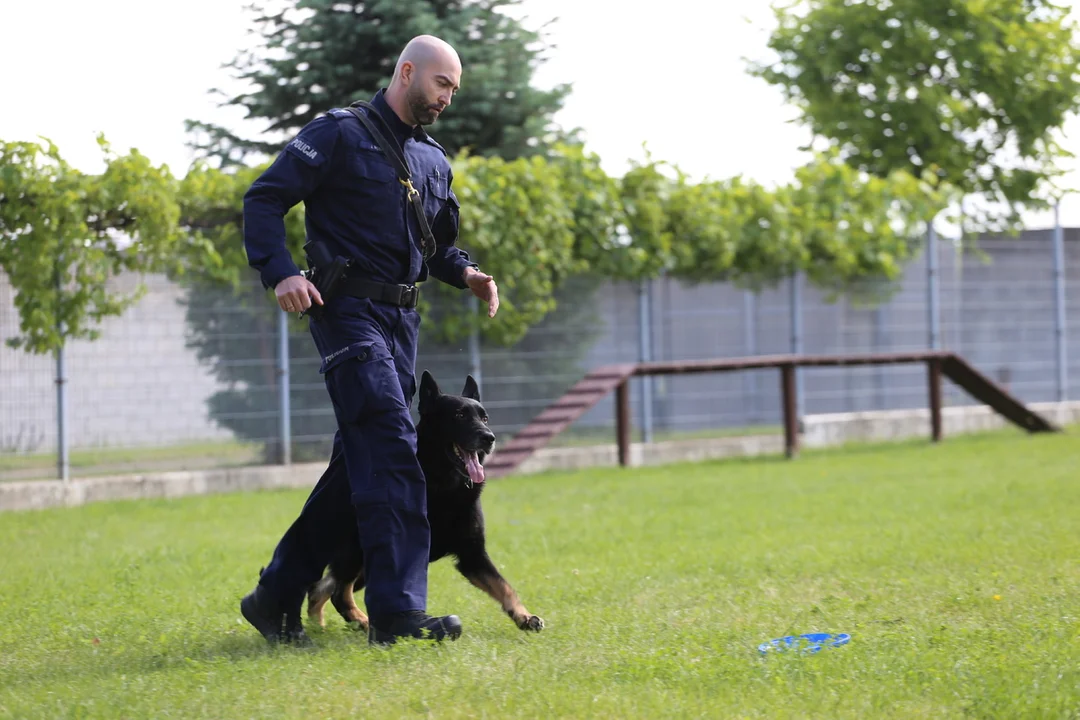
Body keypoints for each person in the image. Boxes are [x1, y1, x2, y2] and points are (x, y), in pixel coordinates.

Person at [238, 35, 500, 647]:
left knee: (353, 470)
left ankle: (274, 597)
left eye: (455, 89)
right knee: (392, 445)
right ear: (407, 71)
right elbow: (264, 199)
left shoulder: (432, 160)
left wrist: (466, 272)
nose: (448, 97)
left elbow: (435, 245)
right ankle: (398, 614)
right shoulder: (337, 134)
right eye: (441, 83)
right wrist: (282, 272)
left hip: (401, 322)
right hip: (346, 313)